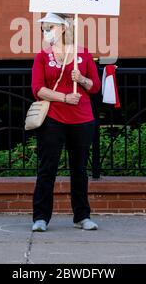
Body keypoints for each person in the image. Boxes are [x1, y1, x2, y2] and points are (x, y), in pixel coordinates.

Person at [31, 12, 101, 232]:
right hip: (53, 118)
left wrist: (81, 79)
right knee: (47, 169)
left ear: (62, 28)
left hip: (82, 119)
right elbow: (37, 89)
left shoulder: (83, 55)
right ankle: (40, 217)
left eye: (49, 27)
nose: (46, 32)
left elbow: (95, 87)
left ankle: (82, 216)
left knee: (79, 169)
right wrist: (63, 97)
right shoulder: (42, 56)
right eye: (44, 28)